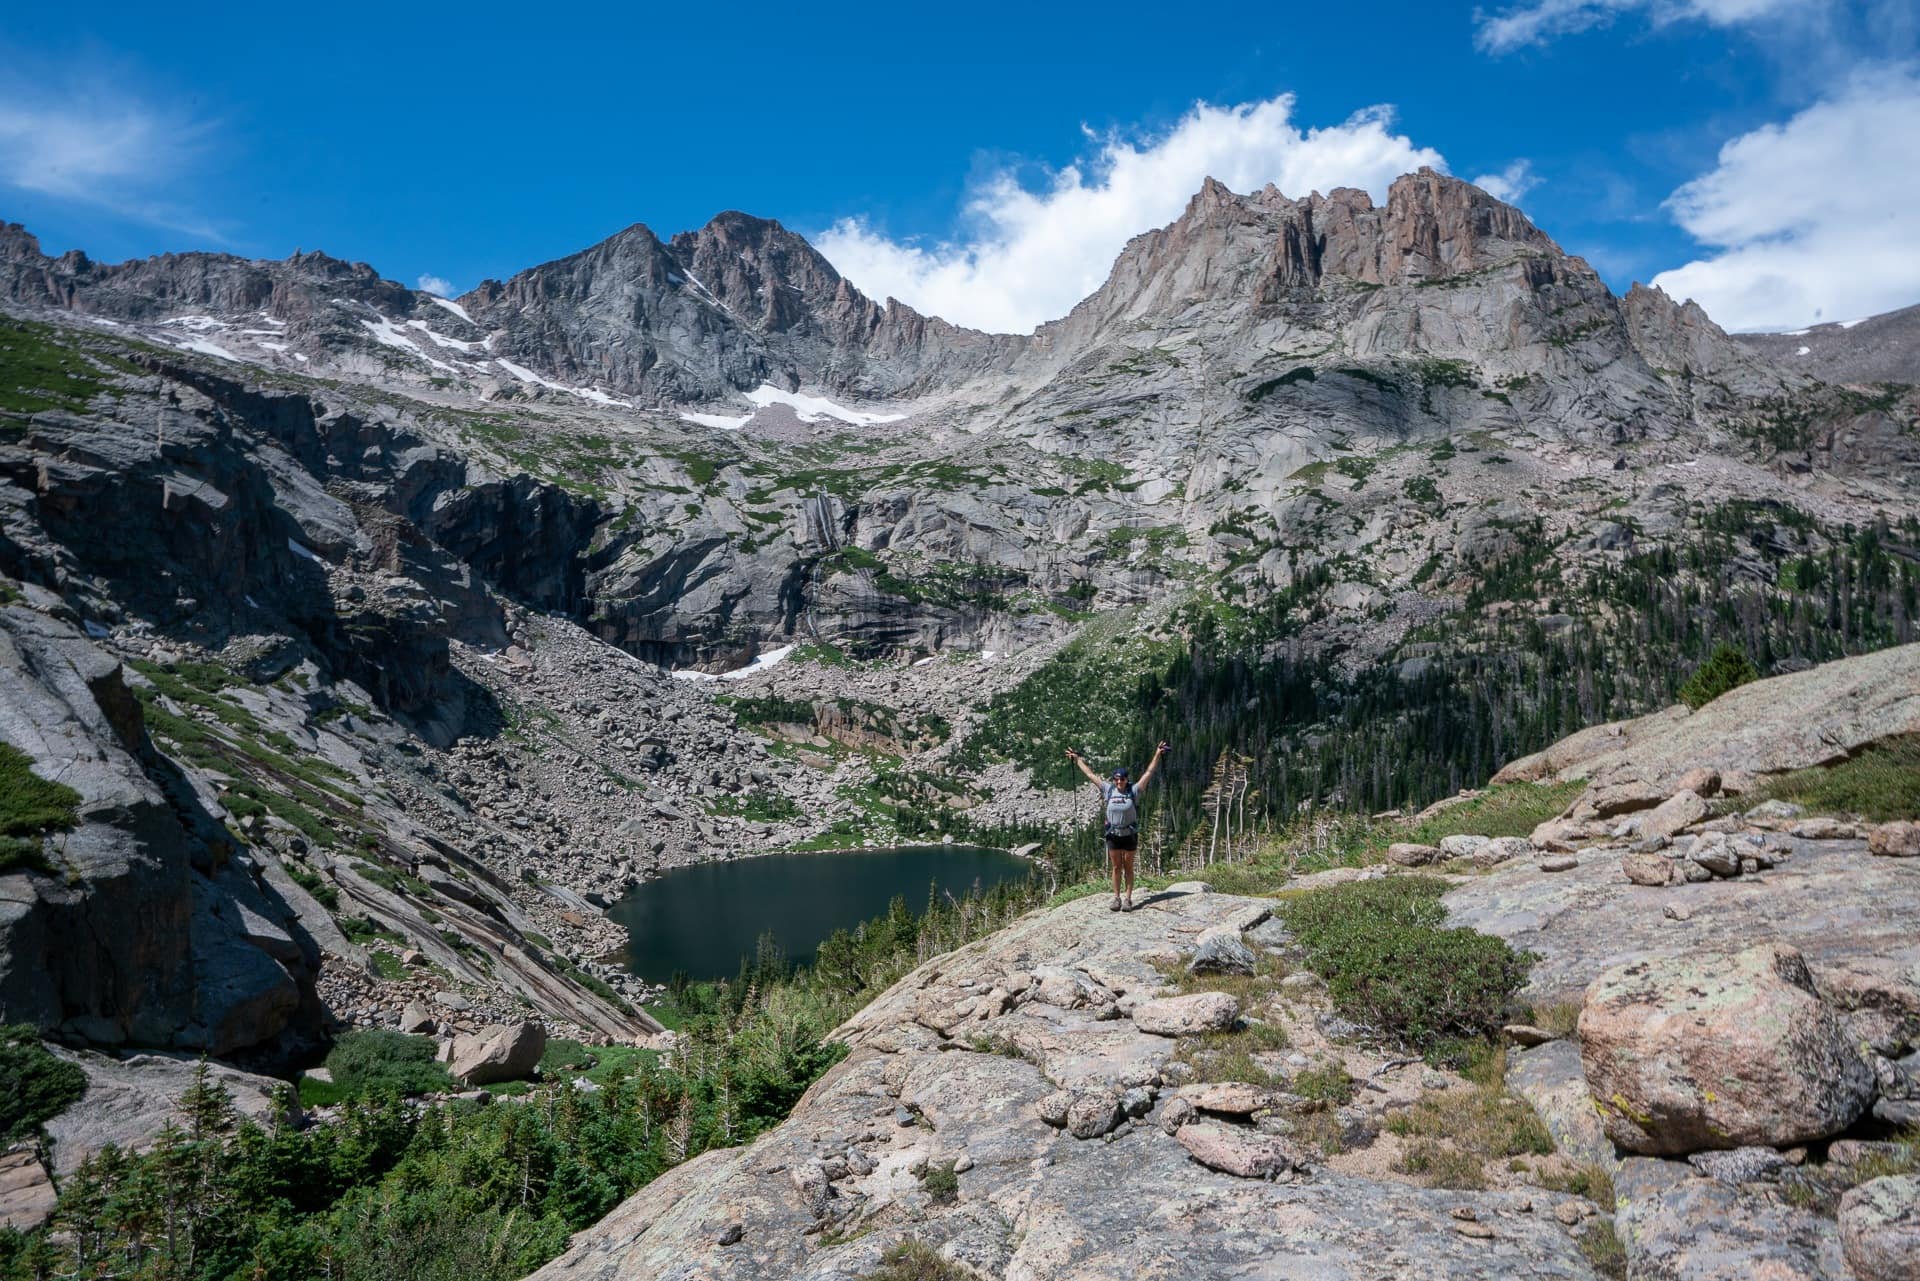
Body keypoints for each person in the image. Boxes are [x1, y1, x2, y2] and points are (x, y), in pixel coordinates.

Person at [1066, 741, 1169, 912]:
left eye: (1122, 779)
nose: (1119, 781)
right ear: (1113, 780)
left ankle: (1128, 899)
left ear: (1127, 779)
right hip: (1113, 834)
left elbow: (1148, 773)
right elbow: (1091, 775)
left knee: (1128, 867)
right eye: (1117, 779)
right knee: (1116, 867)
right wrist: (1077, 760)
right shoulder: (1108, 789)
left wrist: (1157, 755)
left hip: (1129, 834)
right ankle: (1116, 898)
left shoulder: (1133, 790)